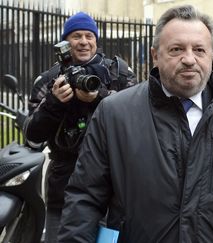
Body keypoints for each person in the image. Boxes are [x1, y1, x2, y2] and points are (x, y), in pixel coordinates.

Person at [57, 5, 213, 242]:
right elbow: (84, 200)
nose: (189, 59)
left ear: (212, 56)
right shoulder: (114, 113)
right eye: (176, 49)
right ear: (155, 55)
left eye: (200, 50)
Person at [23, 12, 137, 243]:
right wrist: (53, 104)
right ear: (66, 42)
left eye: (88, 35)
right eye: (76, 36)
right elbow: (32, 139)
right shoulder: (48, 81)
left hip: (113, 185)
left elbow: (137, 123)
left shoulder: (120, 74)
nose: (84, 41)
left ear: (96, 39)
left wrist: (99, 97)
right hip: (64, 184)